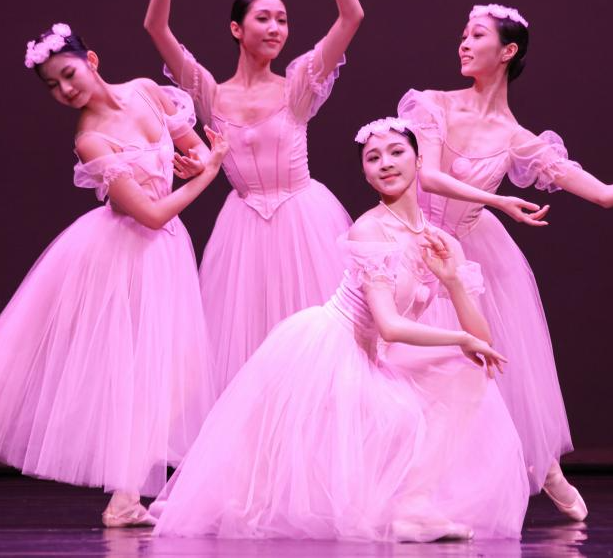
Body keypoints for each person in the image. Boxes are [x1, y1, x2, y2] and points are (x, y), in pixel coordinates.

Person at [0, 24, 227, 527]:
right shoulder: (91, 139)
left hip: (162, 257)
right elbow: (151, 214)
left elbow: (193, 149)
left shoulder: (147, 91)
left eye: (68, 75)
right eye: (53, 85)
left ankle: (126, 496)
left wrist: (199, 159)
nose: (65, 89)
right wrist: (208, 174)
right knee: (17, 352)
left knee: (167, 373)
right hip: (114, 251)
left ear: (92, 61)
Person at [398, 3, 613, 520]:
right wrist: (499, 201)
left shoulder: (520, 141)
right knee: (406, 368)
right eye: (463, 34)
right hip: (415, 244)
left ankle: (543, 466)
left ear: (507, 52)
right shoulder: (433, 105)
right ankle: (410, 491)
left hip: (471, 255)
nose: (463, 43)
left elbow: (602, 194)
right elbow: (427, 177)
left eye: (477, 35)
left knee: (487, 369)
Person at [152, 118, 529, 542]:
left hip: (378, 354)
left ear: (419, 160)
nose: (386, 163)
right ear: (365, 173)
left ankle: (413, 506)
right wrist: (459, 338)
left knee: (471, 371)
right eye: (373, 158)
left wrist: (454, 282)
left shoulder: (443, 242)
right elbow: (389, 325)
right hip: (338, 347)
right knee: (256, 479)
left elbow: (482, 342)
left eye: (397, 152)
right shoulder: (370, 229)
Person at [145, 0, 361, 392]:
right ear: (236, 29)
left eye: (282, 19)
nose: (276, 28)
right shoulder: (210, 93)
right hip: (243, 229)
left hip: (303, 220)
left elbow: (351, 17)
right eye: (264, 18)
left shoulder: (298, 86)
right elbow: (156, 28)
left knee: (318, 343)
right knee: (246, 344)